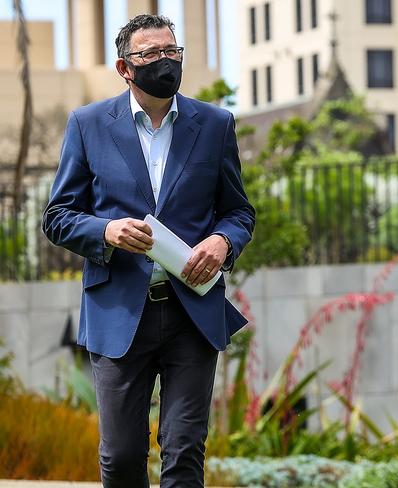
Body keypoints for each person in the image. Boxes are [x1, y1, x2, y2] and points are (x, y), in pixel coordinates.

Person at [42, 14, 254, 487]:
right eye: (150, 54)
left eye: (171, 52)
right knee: (120, 457)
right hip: (118, 311)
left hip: (192, 312)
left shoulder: (215, 124)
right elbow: (57, 216)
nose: (165, 61)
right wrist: (105, 231)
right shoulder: (88, 124)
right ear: (124, 67)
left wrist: (222, 242)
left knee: (183, 451)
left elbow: (239, 213)